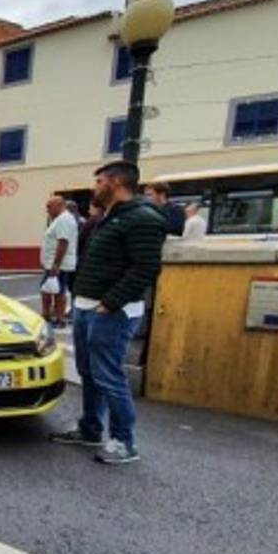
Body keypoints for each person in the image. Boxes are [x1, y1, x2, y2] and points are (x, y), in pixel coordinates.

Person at [49, 161, 166, 466]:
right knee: (89, 373)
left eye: (99, 181)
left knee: (109, 376)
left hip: (113, 311)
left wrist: (110, 303)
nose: (94, 187)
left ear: (115, 182)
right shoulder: (111, 217)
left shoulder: (142, 218)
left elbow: (146, 268)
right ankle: (91, 428)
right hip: (88, 307)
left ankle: (124, 441)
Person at [40, 196, 79, 328]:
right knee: (52, 290)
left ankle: (58, 318)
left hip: (58, 265)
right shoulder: (60, 219)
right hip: (54, 264)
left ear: (59, 205)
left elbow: (63, 243)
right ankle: (51, 315)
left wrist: (56, 265)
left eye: (49, 206)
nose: (47, 210)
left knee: (57, 291)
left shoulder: (64, 220)